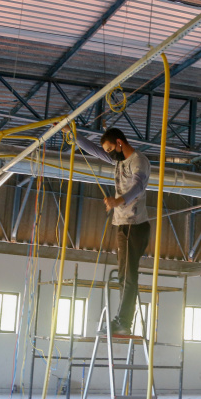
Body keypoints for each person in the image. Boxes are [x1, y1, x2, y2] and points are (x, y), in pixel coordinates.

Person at [63, 124, 151, 336]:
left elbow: (139, 186)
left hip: (134, 226)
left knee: (128, 277)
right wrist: (72, 135)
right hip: (122, 225)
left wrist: (118, 200)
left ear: (120, 143)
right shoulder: (119, 159)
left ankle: (123, 322)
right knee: (123, 276)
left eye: (111, 150)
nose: (109, 154)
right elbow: (95, 150)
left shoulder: (139, 161)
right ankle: (122, 320)